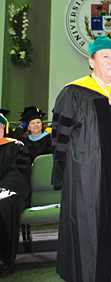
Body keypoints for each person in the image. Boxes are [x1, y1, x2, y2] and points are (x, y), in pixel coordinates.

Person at [51, 36, 111, 282]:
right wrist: (67, 174)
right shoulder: (74, 93)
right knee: (89, 234)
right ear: (91, 61)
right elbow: (60, 138)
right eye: (106, 56)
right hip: (87, 181)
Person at [0, 113, 31, 275]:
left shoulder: (16, 146)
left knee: (3, 204)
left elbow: (19, 171)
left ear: (4, 128)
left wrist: (2, 187)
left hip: (11, 191)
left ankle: (4, 259)